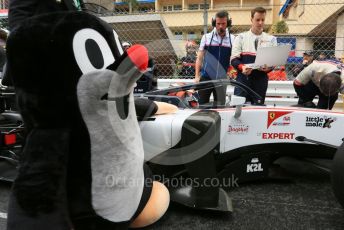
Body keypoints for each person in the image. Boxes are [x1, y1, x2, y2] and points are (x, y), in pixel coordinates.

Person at [231, 7, 277, 104]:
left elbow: (273, 62)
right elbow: (234, 59)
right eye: (257, 20)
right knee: (238, 109)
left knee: (258, 110)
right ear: (251, 19)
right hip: (243, 79)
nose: (260, 23)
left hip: (261, 80)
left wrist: (268, 68)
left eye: (263, 20)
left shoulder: (271, 39)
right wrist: (242, 67)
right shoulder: (240, 37)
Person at [194, 10, 235, 106]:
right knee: (202, 106)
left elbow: (234, 59)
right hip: (206, 78)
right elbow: (199, 58)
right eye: (218, 23)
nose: (220, 26)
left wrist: (231, 73)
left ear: (228, 23)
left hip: (222, 79)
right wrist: (196, 76)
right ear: (214, 23)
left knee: (220, 107)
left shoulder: (232, 39)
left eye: (223, 23)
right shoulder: (206, 37)